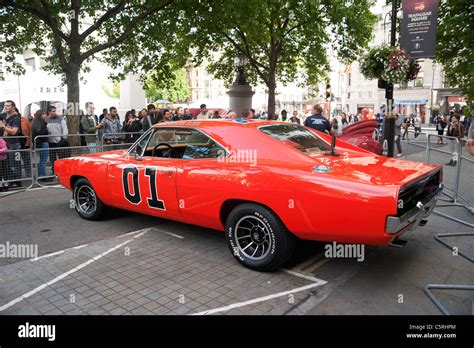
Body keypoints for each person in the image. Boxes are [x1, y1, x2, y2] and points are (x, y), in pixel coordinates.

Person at [0, 100, 23, 188]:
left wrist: (3, 127)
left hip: (14, 144)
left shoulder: (16, 118)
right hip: (5, 144)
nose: (6, 107)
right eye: (5, 105)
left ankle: (17, 182)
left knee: (16, 164)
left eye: (8, 106)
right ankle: (11, 180)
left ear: (13, 107)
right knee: (7, 164)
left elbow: (14, 132)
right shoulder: (3, 115)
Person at [46, 105, 68, 175]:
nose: (55, 113)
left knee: (61, 158)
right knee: (53, 159)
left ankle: (62, 171)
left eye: (55, 111)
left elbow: (65, 129)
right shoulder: (46, 120)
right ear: (49, 112)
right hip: (50, 143)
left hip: (59, 142)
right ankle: (54, 171)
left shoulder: (61, 119)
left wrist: (64, 138)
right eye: (53, 111)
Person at [32, 110, 49, 179]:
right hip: (42, 142)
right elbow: (39, 132)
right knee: (43, 159)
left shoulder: (35, 122)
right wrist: (47, 132)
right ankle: (42, 175)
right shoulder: (40, 122)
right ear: (40, 115)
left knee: (42, 159)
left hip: (39, 142)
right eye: (43, 114)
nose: (45, 115)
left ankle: (42, 174)